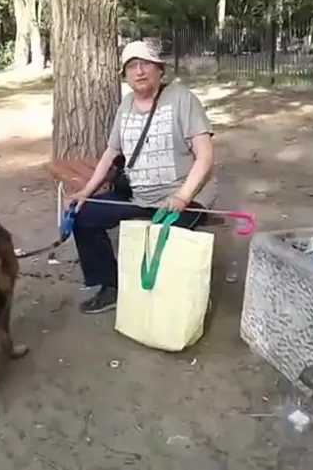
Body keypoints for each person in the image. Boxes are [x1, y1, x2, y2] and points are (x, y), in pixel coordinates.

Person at [69, 41, 218, 314]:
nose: (139, 71)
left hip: (183, 199)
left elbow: (205, 156)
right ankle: (110, 286)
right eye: (131, 66)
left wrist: (183, 196)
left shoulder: (182, 99)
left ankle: (187, 300)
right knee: (84, 216)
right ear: (124, 76)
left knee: (166, 243)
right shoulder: (125, 105)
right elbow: (112, 151)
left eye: (145, 64)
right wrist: (86, 191)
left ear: (159, 70)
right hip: (139, 196)